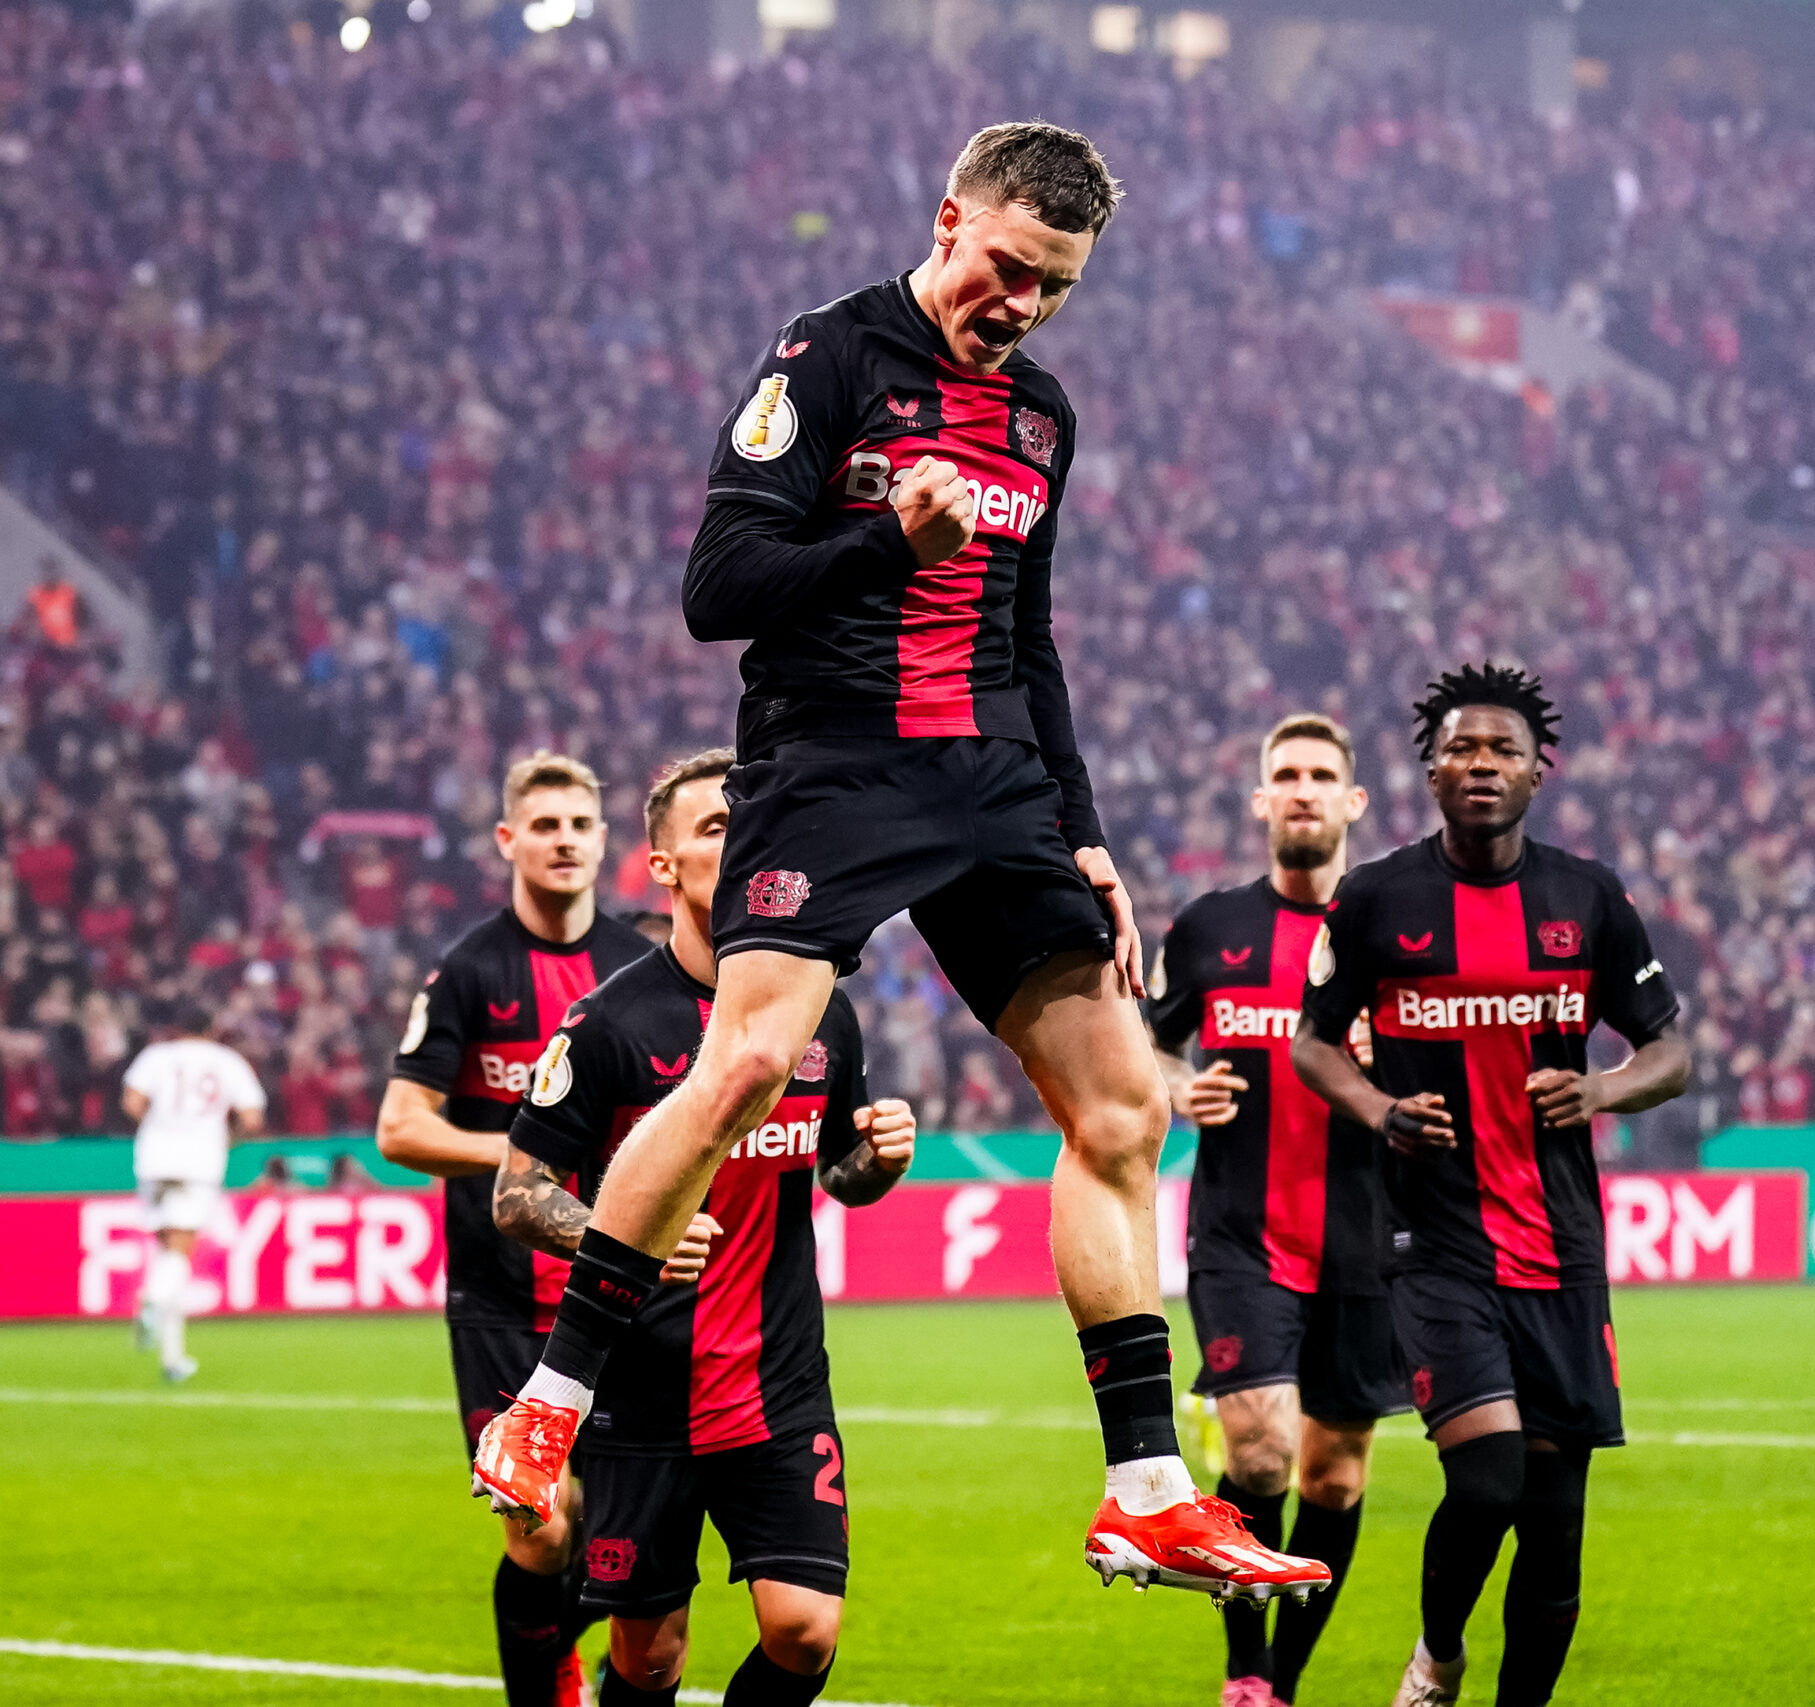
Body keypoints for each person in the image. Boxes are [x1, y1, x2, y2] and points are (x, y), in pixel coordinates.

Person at [470, 120, 1325, 1603]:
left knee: (1125, 1107)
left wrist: (1082, 827)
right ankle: (548, 1409)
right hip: (836, 760)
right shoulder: (825, 360)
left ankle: (1143, 1488)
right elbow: (716, 588)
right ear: (949, 219)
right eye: (1008, 268)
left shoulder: (1044, 417)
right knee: (742, 1067)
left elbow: (1030, 635)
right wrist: (887, 547)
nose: (1025, 305)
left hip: (997, 778)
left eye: (1055, 286)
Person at [1291, 663, 1691, 1707]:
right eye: (1461, 748)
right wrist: (1380, 1110)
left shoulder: (1588, 896)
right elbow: (1312, 1045)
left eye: (1501, 750)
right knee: (1488, 1479)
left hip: (1560, 1246)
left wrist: (1601, 1090)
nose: (1480, 764)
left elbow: (1670, 1052)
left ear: (1536, 772)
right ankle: (1438, 1654)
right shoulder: (1376, 897)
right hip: (1435, 1242)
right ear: (1430, 769)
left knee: (1556, 1521)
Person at [493, 749, 914, 1707]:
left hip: (779, 1378)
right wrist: (617, 1225)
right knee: (648, 1657)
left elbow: (837, 1178)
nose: (741, 838)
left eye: (749, 822)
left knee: (804, 1633)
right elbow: (518, 1192)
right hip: (643, 1392)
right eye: (715, 827)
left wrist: (874, 1163)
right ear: (663, 866)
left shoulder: (821, 1014)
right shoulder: (607, 1024)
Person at [379, 751, 653, 1707]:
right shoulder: (467, 970)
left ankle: (559, 1652)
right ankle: (547, 1684)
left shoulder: (637, 967)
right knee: (538, 1522)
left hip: (617, 1289)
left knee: (628, 1528)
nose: (565, 840)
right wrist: (526, 1156)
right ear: (508, 841)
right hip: (498, 1292)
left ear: (606, 839)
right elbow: (400, 1126)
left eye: (581, 823)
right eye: (545, 825)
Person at [1149, 713, 1400, 1707]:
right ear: (1260, 801)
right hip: (1240, 1236)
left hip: (1366, 1240)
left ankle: (1279, 1686)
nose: (1301, 789)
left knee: (1332, 1481)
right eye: (1284, 775)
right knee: (1258, 1448)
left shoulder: (1393, 931)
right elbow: (1153, 1047)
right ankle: (1245, 1675)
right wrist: (1177, 1086)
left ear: (1352, 802)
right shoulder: (1210, 929)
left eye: (1320, 775)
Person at [120, 1000, 264, 1383]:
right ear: (214, 1027)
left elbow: (132, 1101)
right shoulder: (228, 1062)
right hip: (198, 1160)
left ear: (176, 1027)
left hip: (152, 1157)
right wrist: (223, 1138)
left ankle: (173, 1359)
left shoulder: (157, 1056)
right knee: (180, 1253)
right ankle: (151, 1298)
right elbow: (251, 1117)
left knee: (169, 1251)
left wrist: (162, 1124)